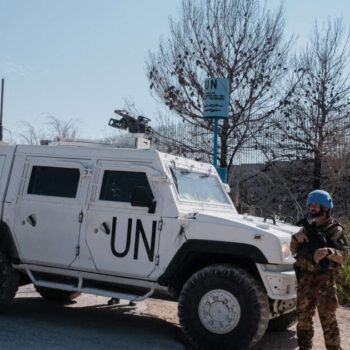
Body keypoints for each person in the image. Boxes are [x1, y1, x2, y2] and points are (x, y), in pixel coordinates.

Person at [290, 190, 348, 350]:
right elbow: (293, 250)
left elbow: (344, 255)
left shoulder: (335, 230)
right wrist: (296, 239)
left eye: (316, 205)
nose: (313, 208)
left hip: (324, 282)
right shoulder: (305, 228)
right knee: (303, 319)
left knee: (328, 320)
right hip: (305, 280)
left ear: (325, 207)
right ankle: (304, 347)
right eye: (311, 205)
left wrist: (328, 252)